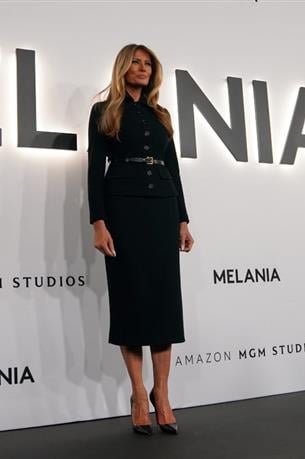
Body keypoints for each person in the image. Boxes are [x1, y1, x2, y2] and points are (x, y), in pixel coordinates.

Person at [87, 44, 195, 436]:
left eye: (148, 63)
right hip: (123, 209)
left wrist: (183, 219)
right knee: (131, 301)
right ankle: (137, 394)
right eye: (136, 62)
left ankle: (161, 394)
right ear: (123, 67)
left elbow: (173, 169)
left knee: (164, 303)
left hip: (162, 208)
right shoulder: (104, 111)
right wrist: (98, 222)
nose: (143, 68)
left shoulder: (160, 114)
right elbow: (94, 168)